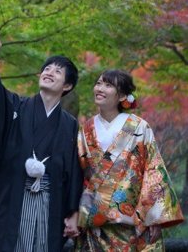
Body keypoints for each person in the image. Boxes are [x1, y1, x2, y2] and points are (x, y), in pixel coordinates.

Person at [0, 23, 83, 251]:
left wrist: (73, 213)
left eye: (57, 71)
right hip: (14, 196)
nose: (49, 72)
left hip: (50, 202)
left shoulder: (70, 124)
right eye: (47, 68)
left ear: (67, 85)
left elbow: (74, 172)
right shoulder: (17, 106)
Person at [76, 69, 184, 251]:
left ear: (123, 96)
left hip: (130, 220)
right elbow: (78, 173)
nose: (100, 88)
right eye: (99, 83)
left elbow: (153, 170)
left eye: (108, 85)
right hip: (94, 221)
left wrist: (153, 217)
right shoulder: (85, 129)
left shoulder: (139, 127)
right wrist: (74, 212)